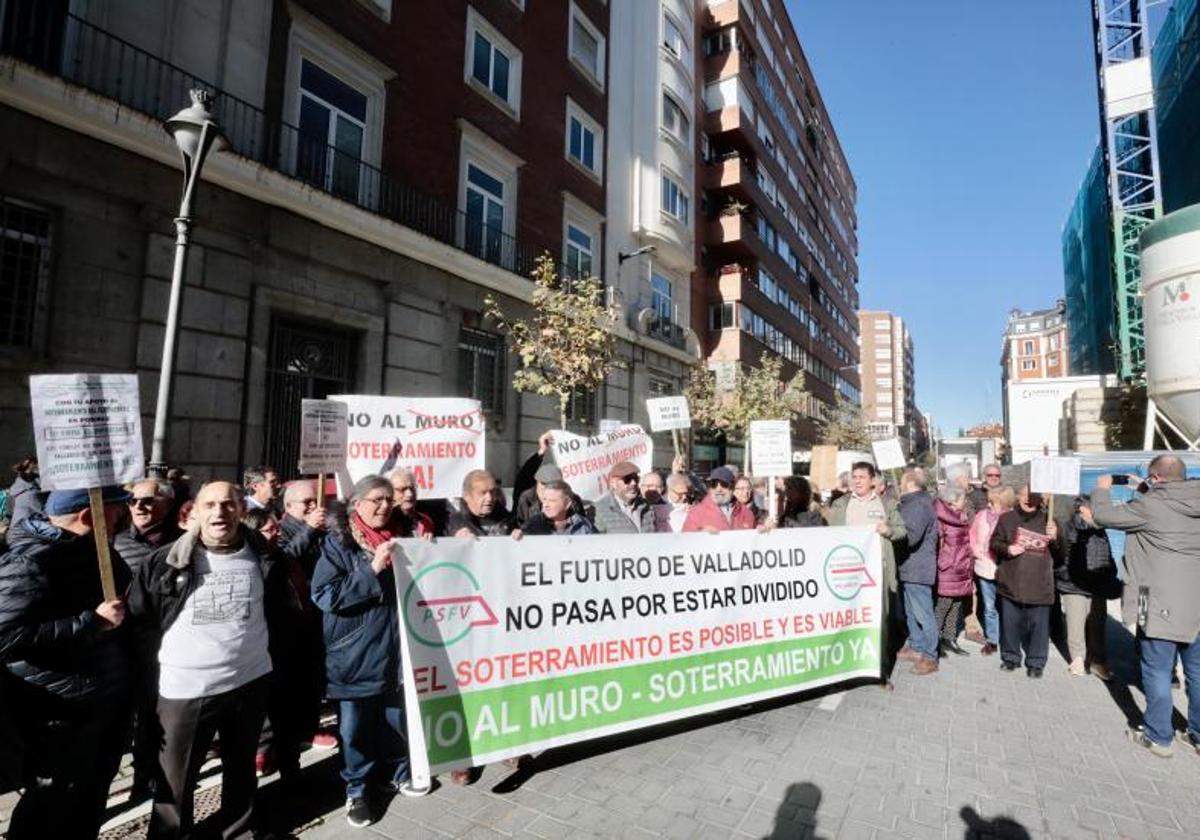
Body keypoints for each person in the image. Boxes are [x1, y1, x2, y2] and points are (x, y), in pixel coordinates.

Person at [130, 480, 287, 839]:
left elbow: (277, 610)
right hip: (187, 690)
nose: (220, 513)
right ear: (194, 512)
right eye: (211, 505)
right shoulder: (164, 561)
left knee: (241, 767)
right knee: (176, 779)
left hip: (250, 680)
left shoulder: (264, 554)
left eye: (229, 504)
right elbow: (141, 621)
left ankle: (238, 830)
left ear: (242, 510)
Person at [0, 486, 133, 839]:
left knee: (86, 800)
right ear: (90, 516)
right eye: (118, 514)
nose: (127, 520)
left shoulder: (92, 551)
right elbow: (5, 634)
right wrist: (92, 623)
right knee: (52, 802)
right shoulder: (31, 562)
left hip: (100, 700)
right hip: (60, 713)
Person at [312, 475, 428, 828]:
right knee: (355, 730)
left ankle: (397, 771)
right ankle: (357, 790)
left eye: (388, 499)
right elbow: (325, 595)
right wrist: (372, 569)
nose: (384, 506)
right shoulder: (339, 543)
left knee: (396, 719)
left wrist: (431, 552)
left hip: (398, 650)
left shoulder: (405, 534)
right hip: (355, 655)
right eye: (375, 499)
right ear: (356, 504)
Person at [1090, 456, 1200, 757]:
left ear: (1155, 477)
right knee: (1198, 672)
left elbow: (1103, 516)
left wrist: (1102, 489)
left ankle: (1158, 736)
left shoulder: (1149, 506)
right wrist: (1147, 491)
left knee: (1157, 670)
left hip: (1156, 600)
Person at [114, 477, 184, 802]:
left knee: (157, 716)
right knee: (129, 716)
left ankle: (151, 776)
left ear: (167, 504)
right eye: (133, 501)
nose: (139, 506)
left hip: (172, 646)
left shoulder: (185, 544)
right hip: (127, 647)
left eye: (148, 500)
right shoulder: (114, 544)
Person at [828, 462, 907, 678]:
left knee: (879, 621)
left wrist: (888, 530)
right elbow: (829, 537)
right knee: (849, 619)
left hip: (878, 574)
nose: (857, 481)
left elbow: (902, 531)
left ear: (873, 480)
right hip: (848, 575)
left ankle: (880, 668)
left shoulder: (887, 503)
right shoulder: (841, 504)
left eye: (862, 477)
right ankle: (848, 665)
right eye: (854, 477)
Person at [990, 485, 1060, 678]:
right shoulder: (1006, 519)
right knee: (1010, 624)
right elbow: (994, 543)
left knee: (1039, 627)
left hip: (1039, 583)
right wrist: (1007, 549)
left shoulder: (1050, 522)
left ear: (1041, 500)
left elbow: (1062, 555)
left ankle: (1036, 662)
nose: (1028, 500)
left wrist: (1055, 537)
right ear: (1017, 497)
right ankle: (1010, 657)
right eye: (1024, 496)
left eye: (1033, 496)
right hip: (1011, 581)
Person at [1057, 496, 1119, 680]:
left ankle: (1097, 662)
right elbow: (1063, 553)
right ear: (1083, 509)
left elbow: (1107, 554)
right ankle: (1077, 659)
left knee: (1097, 624)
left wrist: (1111, 572)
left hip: (1097, 584)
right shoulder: (1068, 527)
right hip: (1074, 584)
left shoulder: (1101, 530)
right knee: (1076, 623)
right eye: (1095, 508)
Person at [896, 470, 938, 675]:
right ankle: (916, 645)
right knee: (911, 611)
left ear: (911, 483)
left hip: (917, 568)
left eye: (902, 482)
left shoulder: (918, 505)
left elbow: (911, 536)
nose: (899, 485)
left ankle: (930, 656)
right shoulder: (913, 503)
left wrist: (890, 529)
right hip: (910, 567)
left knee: (923, 613)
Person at [970, 485, 1015, 656]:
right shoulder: (981, 516)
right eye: (989, 501)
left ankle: (1010, 639)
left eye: (992, 502)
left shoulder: (1012, 519)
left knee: (1008, 607)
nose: (988, 505)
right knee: (989, 607)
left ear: (1004, 504)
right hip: (985, 567)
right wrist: (977, 552)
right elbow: (972, 536)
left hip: (1006, 569)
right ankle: (992, 640)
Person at [934, 486, 974, 658]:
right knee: (943, 605)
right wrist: (946, 561)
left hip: (962, 567)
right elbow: (937, 543)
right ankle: (934, 640)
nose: (964, 501)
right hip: (948, 567)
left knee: (956, 604)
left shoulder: (961, 516)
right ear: (952, 501)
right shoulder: (941, 519)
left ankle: (949, 638)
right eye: (962, 499)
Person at [682, 466, 756, 533]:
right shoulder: (696, 513)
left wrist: (763, 532)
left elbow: (755, 541)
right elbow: (685, 541)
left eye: (724, 484)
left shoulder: (746, 513)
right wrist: (700, 534)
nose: (718, 489)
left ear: (732, 487)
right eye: (713, 484)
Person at [592, 462, 659, 534]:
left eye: (636, 479)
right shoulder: (599, 509)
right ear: (613, 483)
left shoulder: (646, 506)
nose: (633, 483)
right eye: (627, 479)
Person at [447, 470, 517, 537]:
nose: (489, 498)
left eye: (492, 492)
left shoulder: (508, 520)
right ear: (467, 496)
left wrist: (519, 536)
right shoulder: (452, 523)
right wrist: (455, 541)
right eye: (483, 493)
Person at [522, 480, 596, 535]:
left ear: (567, 504)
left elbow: (598, 548)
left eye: (552, 501)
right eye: (544, 500)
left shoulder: (583, 524)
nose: (545, 505)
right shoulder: (533, 525)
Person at [389, 468, 436, 537]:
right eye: (402, 489)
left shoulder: (425, 521)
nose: (409, 494)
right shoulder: (383, 520)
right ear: (390, 492)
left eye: (412, 488)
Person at [6, 458, 42, 528]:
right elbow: (43, 512)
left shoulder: (13, 490)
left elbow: (9, 513)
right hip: (28, 528)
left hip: (14, 528)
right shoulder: (31, 493)